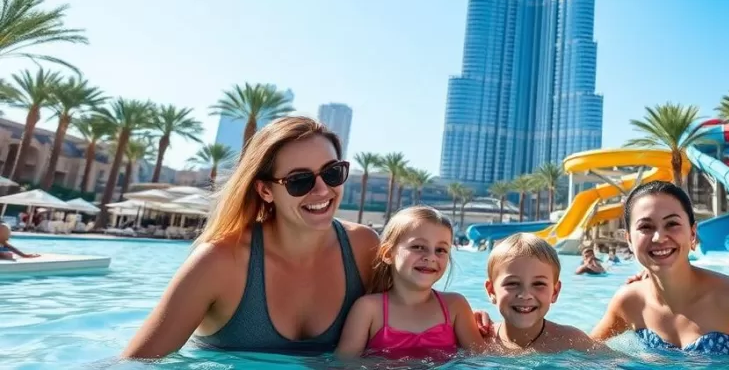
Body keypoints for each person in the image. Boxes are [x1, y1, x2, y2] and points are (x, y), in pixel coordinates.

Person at [123, 117, 379, 358]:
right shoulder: (219, 262)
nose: (322, 190)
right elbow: (137, 364)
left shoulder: (363, 247)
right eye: (299, 180)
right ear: (265, 190)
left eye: (332, 172)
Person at [589, 181, 729, 355]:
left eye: (672, 224)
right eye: (646, 227)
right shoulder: (630, 302)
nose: (659, 237)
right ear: (629, 240)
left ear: (692, 233)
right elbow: (583, 353)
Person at [335, 206, 484, 360]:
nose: (431, 257)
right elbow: (344, 364)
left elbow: (481, 361)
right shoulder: (368, 309)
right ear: (388, 254)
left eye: (440, 250)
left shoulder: (455, 306)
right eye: (418, 247)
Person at [483, 233, 595, 353]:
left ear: (555, 292)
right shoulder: (480, 339)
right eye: (512, 284)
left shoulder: (572, 341)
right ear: (492, 291)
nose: (525, 295)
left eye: (538, 284)